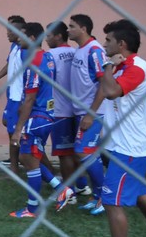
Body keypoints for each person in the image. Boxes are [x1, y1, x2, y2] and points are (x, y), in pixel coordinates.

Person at [89, 19, 146, 237]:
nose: (104, 44)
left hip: (129, 149)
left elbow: (111, 92)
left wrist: (106, 66)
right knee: (140, 196)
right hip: (123, 145)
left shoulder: (136, 68)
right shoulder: (123, 66)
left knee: (111, 201)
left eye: (108, 41)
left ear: (121, 44)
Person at [8, 23, 74, 218]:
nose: (18, 39)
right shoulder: (46, 56)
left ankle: (32, 208)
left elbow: (30, 98)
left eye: (22, 35)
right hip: (47, 114)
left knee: (28, 159)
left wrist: (18, 129)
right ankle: (61, 189)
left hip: (37, 116)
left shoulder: (34, 62)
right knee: (30, 157)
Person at [45, 22, 90, 199]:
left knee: (64, 154)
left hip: (60, 110)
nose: (46, 39)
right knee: (77, 151)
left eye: (49, 36)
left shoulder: (50, 55)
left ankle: (68, 191)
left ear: (57, 36)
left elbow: (47, 81)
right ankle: (82, 185)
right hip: (78, 110)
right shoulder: (76, 52)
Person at [68, 14, 107, 215]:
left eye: (71, 26)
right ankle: (97, 195)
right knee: (90, 153)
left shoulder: (94, 51)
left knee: (83, 150)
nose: (68, 30)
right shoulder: (79, 50)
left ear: (83, 29)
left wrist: (91, 114)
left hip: (92, 112)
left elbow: (104, 83)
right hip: (79, 111)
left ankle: (104, 198)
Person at [0, 16, 26, 174]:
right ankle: (17, 158)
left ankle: (15, 167)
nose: (7, 33)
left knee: (14, 131)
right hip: (11, 95)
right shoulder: (14, 47)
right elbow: (9, 64)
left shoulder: (25, 50)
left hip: (19, 98)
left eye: (10, 30)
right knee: (7, 124)